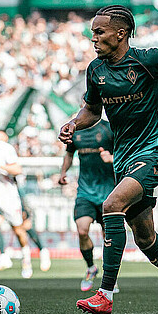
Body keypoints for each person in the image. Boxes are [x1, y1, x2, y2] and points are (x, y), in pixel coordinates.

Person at [60, 5, 158, 314]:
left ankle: (104, 295)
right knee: (145, 239)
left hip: (154, 152)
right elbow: (92, 112)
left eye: (99, 32)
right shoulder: (96, 71)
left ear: (120, 33)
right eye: (92, 33)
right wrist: (75, 124)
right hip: (124, 159)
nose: (94, 38)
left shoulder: (147, 60)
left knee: (111, 204)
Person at [57, 117, 116, 291]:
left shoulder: (108, 129)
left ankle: (109, 276)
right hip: (85, 192)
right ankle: (91, 267)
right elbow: (69, 153)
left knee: (109, 238)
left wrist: (111, 158)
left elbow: (124, 152)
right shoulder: (76, 131)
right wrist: (63, 172)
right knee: (82, 230)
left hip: (109, 193)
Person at [0, 122, 36, 278]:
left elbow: (17, 169)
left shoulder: (6, 149)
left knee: (18, 229)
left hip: (8, 194)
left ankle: (26, 258)